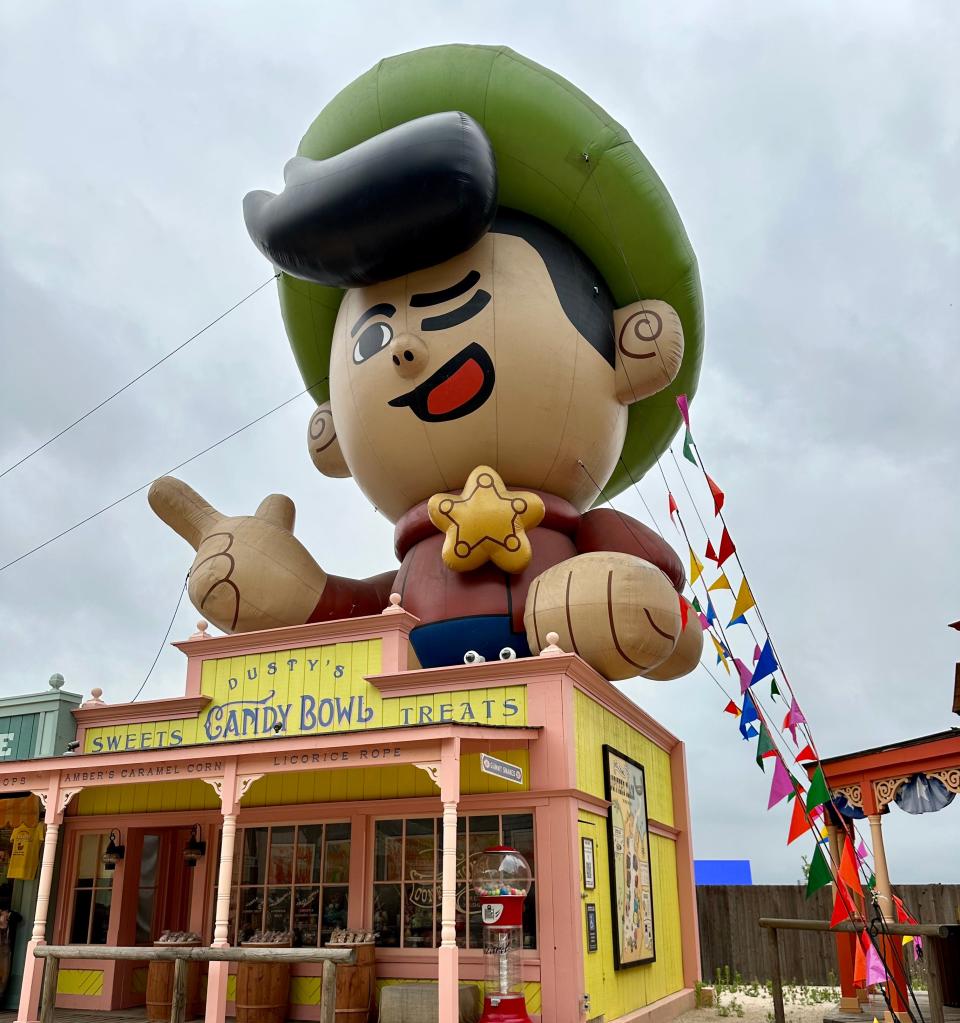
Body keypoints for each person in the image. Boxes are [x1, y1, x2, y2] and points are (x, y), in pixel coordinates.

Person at [150, 45, 705, 682]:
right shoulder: (414, 559)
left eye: (456, 306)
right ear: (330, 429)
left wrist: (623, 601)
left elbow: (676, 633)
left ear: (631, 347)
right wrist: (287, 590)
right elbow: (356, 610)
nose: (409, 351)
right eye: (372, 342)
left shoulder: (592, 531)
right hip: (420, 719)